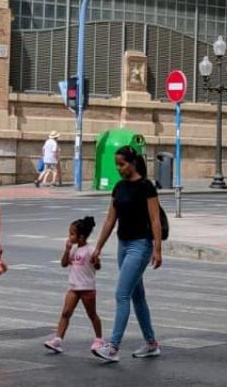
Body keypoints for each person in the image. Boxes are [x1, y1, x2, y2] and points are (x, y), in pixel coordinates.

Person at [90, 146, 162, 362]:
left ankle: (112, 347)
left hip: (140, 246)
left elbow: (155, 219)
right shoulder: (119, 187)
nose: (119, 169)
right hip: (123, 244)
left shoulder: (146, 187)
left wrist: (157, 249)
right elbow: (110, 220)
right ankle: (151, 343)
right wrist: (98, 247)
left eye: (121, 164)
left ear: (132, 163)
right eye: (117, 165)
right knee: (137, 296)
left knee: (122, 294)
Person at [45, 215, 103, 354]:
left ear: (81, 237)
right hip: (73, 287)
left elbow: (98, 266)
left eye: (72, 234)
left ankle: (99, 339)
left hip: (87, 288)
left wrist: (96, 261)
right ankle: (58, 339)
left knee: (91, 313)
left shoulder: (90, 250)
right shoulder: (74, 250)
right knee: (65, 313)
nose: (69, 236)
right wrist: (66, 250)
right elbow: (64, 264)